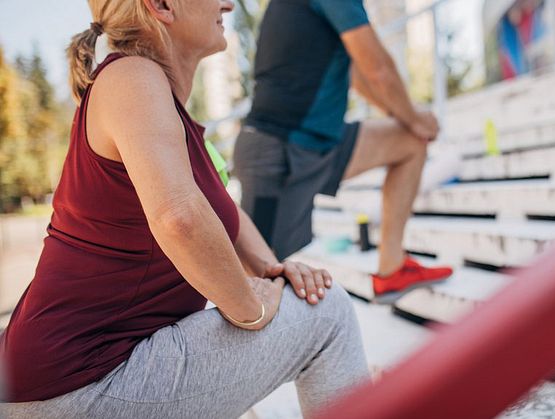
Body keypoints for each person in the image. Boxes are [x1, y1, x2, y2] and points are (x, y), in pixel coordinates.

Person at [0, 0, 368, 417]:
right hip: (78, 384)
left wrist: (272, 269)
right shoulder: (131, 77)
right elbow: (180, 218)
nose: (228, 3)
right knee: (328, 313)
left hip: (68, 377)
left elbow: (218, 208)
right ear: (161, 5)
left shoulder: (159, 106)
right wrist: (252, 307)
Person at [234, 0, 453, 302]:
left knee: (409, 142)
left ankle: (392, 269)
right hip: (277, 151)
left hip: (321, 143)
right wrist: (416, 118)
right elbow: (378, 69)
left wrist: (408, 124)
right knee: (257, 281)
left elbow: (359, 75)